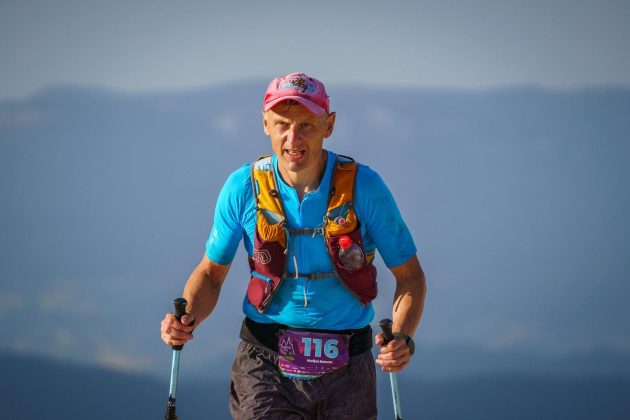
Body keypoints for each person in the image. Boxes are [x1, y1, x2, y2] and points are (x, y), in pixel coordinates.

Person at [160, 72, 427, 419]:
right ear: (265, 124)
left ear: (329, 125)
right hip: (264, 363)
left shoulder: (365, 188)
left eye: (306, 125)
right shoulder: (243, 187)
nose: (293, 138)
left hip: (349, 364)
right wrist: (187, 319)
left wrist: (402, 337)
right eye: (282, 124)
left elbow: (410, 276)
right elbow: (210, 274)